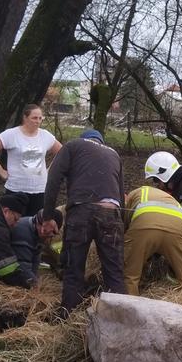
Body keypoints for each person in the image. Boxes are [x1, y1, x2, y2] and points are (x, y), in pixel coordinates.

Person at [42, 129, 126, 313]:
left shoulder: (73, 145)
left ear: (85, 140)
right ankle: (121, 318)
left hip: (81, 211)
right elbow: (121, 196)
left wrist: (47, 216)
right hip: (111, 214)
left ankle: (67, 317)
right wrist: (122, 225)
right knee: (114, 272)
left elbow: (53, 179)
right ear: (101, 142)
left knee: (73, 268)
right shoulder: (114, 154)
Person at [0, 104, 62, 216]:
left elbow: (62, 152)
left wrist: (51, 169)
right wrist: (1, 171)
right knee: (12, 224)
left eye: (40, 118)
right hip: (16, 189)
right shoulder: (11, 134)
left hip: (40, 190)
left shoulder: (46, 136)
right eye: (34, 118)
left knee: (36, 225)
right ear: (25, 117)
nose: (37, 121)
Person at [123, 185, 182, 295]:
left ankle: (128, 306)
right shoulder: (164, 196)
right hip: (177, 227)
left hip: (145, 225)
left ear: (124, 197)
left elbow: (125, 227)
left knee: (130, 275)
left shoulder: (131, 196)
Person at [11, 208, 64, 283]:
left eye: (53, 233)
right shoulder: (23, 233)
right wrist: (35, 285)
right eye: (46, 231)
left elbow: (35, 261)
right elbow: (23, 267)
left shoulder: (37, 232)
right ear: (39, 223)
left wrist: (35, 277)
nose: (48, 235)